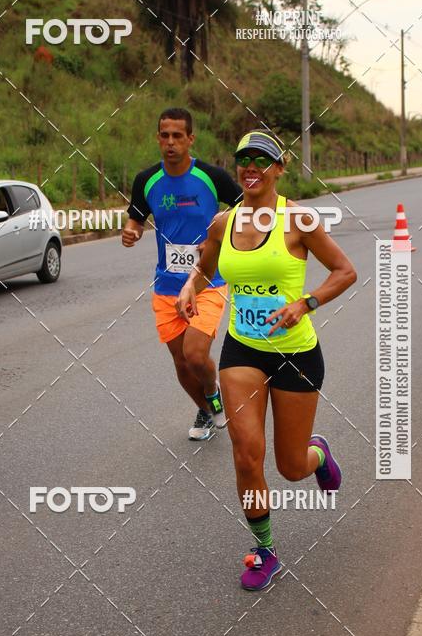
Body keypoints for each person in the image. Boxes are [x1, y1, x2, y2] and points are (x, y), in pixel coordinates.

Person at [176, 130, 357, 590]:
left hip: (296, 353)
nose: (251, 167)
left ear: (279, 167)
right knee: (246, 455)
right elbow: (207, 264)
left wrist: (305, 304)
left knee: (289, 466)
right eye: (244, 160)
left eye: (262, 159)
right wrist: (191, 285)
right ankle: (264, 549)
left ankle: (317, 457)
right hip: (244, 351)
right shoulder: (223, 222)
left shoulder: (299, 220)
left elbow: (345, 271)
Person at [123, 108, 242, 440]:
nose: (171, 142)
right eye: (165, 135)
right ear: (158, 138)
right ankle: (207, 409)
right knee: (181, 363)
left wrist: (217, 232)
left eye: (178, 135)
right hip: (166, 286)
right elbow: (135, 216)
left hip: (208, 282)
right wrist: (131, 231)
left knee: (194, 353)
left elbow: (245, 207)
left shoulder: (211, 176)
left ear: (191, 138)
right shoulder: (147, 180)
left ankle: (213, 391)